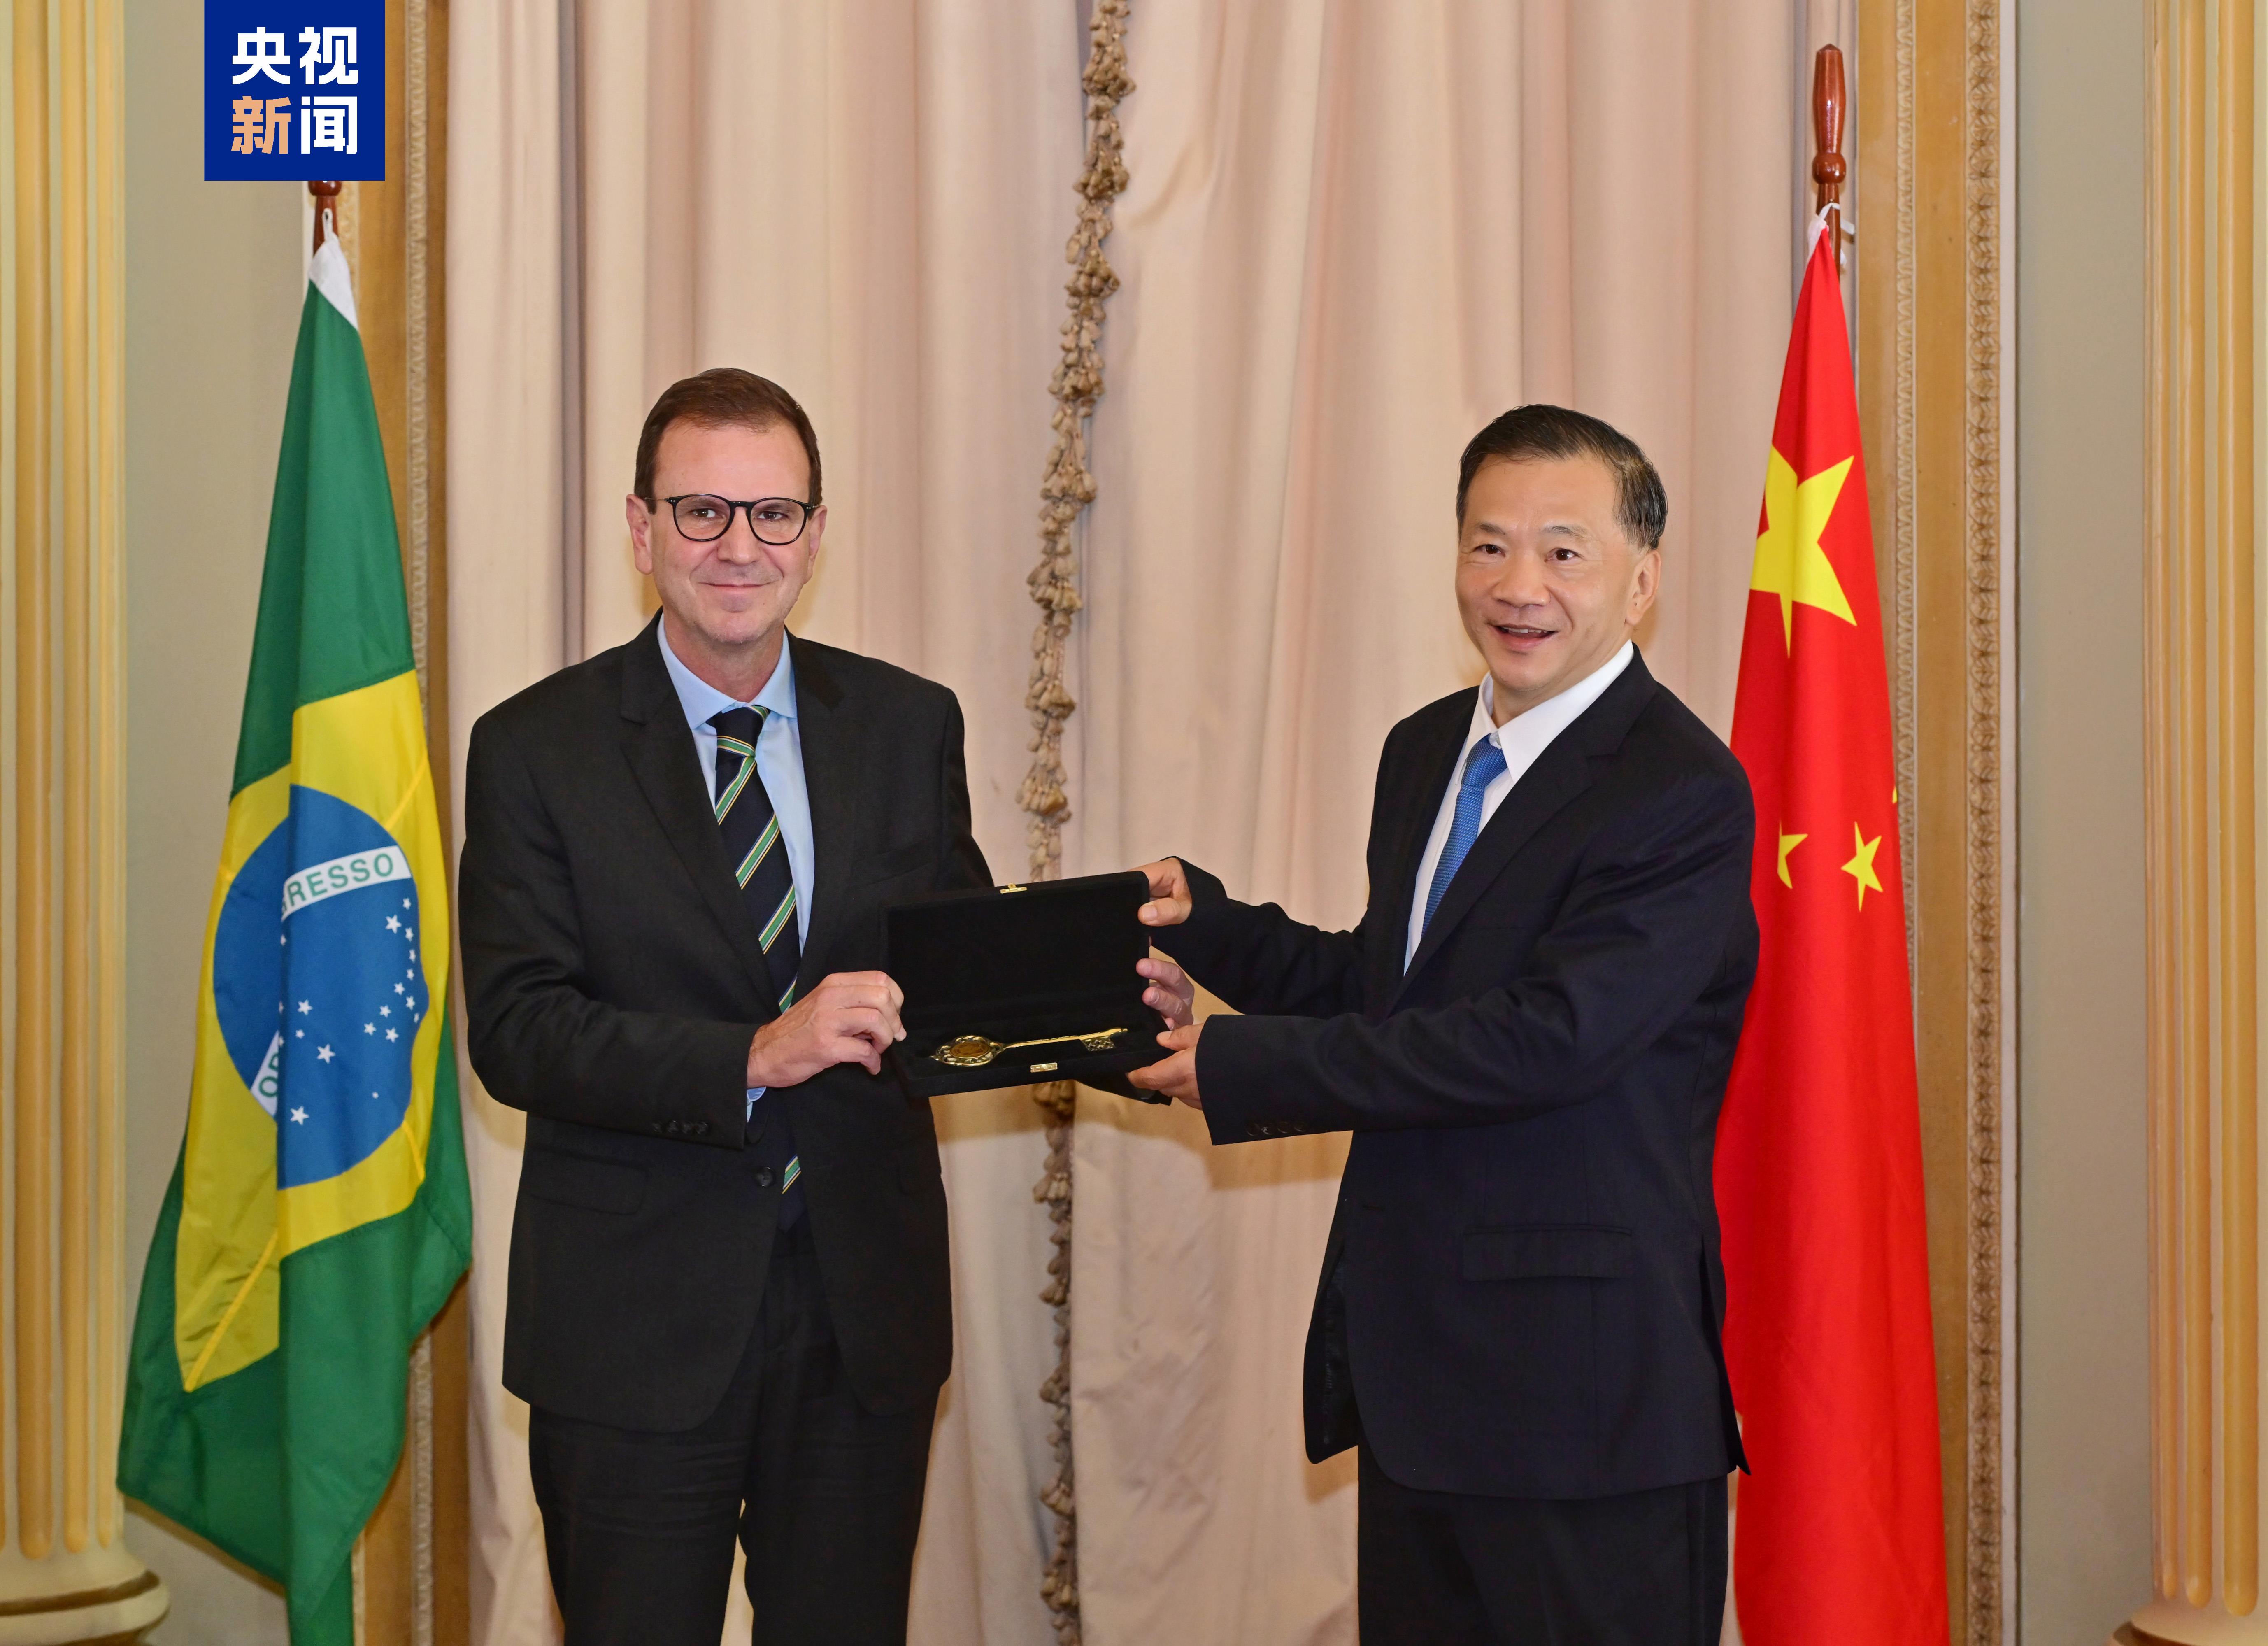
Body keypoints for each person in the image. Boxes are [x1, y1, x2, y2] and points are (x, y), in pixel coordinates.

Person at [1126, 405, 1757, 1645]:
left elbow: (1544, 1039)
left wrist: (1251, 1064)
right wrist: (1209, 928)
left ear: (1643, 582)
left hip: (1588, 1408)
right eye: (1489, 546)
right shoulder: (1426, 752)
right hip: (1421, 1380)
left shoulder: (1682, 791)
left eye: (1564, 552)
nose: (1519, 586)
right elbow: (1400, 989)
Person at [458, 368, 988, 1645]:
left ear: (816, 534)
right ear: (641, 531)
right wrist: (756, 1053)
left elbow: (956, 973)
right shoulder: (537, 745)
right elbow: (521, 1028)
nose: (739, 547)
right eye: (701, 513)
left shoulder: (911, 724)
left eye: (773, 514)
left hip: (860, 1318)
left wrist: (1091, 995)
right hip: (636, 1327)